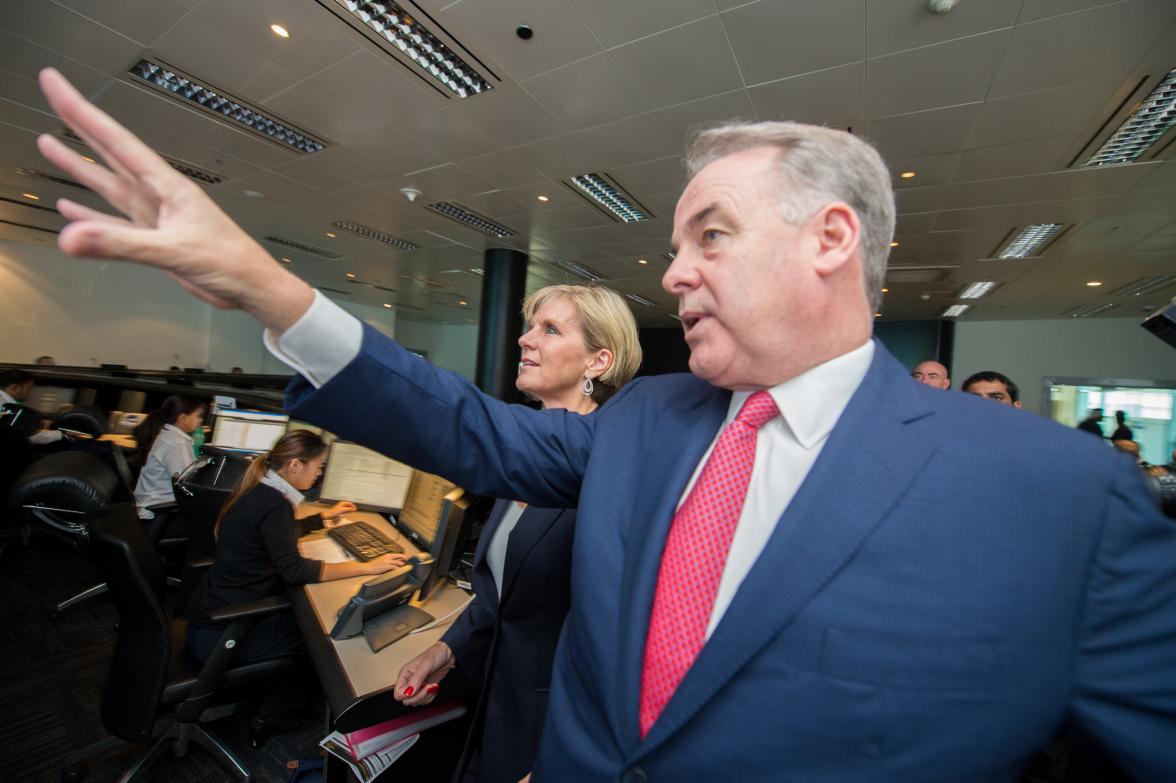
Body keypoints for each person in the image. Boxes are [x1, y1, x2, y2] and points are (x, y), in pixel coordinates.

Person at [33, 69, 1176, 781]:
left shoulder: (1058, 496)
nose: (672, 273)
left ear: (830, 239)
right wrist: (275, 294)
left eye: (709, 236)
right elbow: (470, 429)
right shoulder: (646, 424)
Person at [394, 284, 642, 783]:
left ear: (599, 361)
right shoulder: (527, 452)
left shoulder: (613, 471)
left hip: (552, 728)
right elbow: (499, 597)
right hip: (494, 698)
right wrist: (447, 649)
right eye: (531, 326)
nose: (525, 340)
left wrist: (563, 759)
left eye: (549, 329)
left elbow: (618, 644)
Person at [185, 429, 406, 742]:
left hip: (211, 613)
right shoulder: (275, 504)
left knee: (306, 617)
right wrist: (369, 566)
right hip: (221, 634)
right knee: (318, 633)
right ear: (295, 466)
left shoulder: (262, 490)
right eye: (318, 467)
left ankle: (277, 704)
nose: (319, 475)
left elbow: (275, 536)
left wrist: (321, 519)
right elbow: (294, 570)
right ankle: (274, 719)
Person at [132, 394, 205, 540]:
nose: (200, 420)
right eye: (197, 416)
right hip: (160, 518)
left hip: (151, 513)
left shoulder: (167, 435)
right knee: (217, 526)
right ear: (182, 417)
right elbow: (188, 484)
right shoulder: (177, 443)